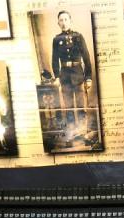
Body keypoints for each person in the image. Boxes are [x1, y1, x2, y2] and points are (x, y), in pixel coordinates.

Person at [52, 11, 94, 139]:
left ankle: (82, 132)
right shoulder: (56, 39)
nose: (64, 22)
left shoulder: (78, 37)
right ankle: (71, 133)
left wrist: (88, 78)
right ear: (58, 23)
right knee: (69, 108)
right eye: (61, 20)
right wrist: (57, 77)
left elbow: (87, 58)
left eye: (66, 19)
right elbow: (54, 60)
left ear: (70, 21)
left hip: (79, 76)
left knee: (81, 106)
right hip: (65, 77)